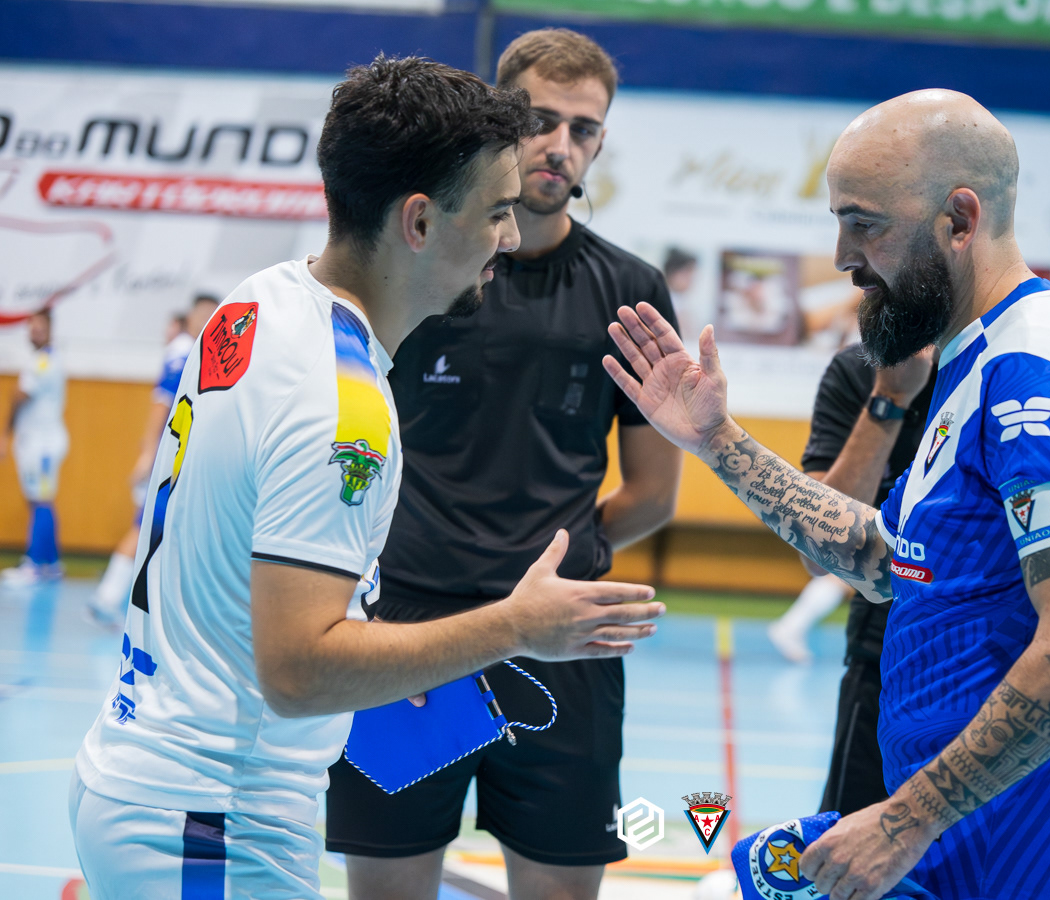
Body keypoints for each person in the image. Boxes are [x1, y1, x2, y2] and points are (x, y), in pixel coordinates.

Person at [69, 56, 664, 900]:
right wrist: (515, 626)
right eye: (495, 212)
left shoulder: (257, 302)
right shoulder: (344, 408)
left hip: (153, 778)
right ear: (419, 221)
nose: (507, 237)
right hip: (211, 817)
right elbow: (301, 671)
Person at [604, 89, 1050, 900]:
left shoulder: (1032, 376)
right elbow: (884, 562)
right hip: (964, 839)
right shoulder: (981, 360)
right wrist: (717, 441)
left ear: (959, 220)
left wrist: (905, 820)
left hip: (1021, 852)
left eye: (865, 224)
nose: (842, 257)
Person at [325, 30, 683, 900]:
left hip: (566, 639)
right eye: (540, 120)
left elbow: (651, 494)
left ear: (600, 141)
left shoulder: (631, 293)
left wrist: (556, 554)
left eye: (584, 129)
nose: (561, 145)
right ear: (499, 120)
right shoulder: (418, 270)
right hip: (405, 631)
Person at [768, 348, 934, 668]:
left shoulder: (991, 362)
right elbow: (820, 552)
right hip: (882, 607)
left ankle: (791, 625)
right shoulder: (855, 370)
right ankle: (791, 626)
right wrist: (890, 398)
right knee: (841, 571)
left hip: (968, 609)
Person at [88, 295, 219, 624]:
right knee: (147, 524)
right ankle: (106, 598)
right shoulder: (183, 351)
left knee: (166, 528)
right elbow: (161, 405)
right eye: (205, 314)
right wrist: (148, 454)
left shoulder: (201, 351)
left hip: (185, 459)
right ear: (193, 317)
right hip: (170, 460)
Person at [1, 308, 67, 586]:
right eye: (32, 327)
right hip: (39, 442)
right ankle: (51, 563)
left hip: (42, 445)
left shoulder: (42, 363)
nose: (35, 331)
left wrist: (4, 433)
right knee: (40, 499)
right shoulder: (42, 359)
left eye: (40, 327)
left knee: (40, 500)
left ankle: (35, 564)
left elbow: (21, 395)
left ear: (50, 330)